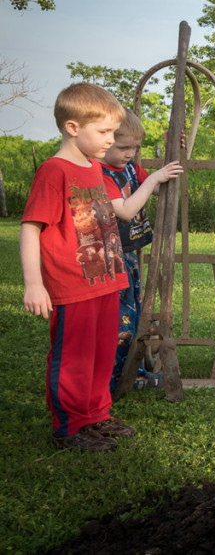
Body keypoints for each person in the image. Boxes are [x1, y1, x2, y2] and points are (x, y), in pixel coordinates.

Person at [20, 82, 135, 451]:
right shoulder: (55, 171)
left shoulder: (95, 168)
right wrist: (33, 284)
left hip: (107, 279)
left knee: (102, 353)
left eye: (113, 132)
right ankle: (70, 426)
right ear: (73, 128)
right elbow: (30, 227)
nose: (110, 140)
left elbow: (134, 168)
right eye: (103, 132)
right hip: (73, 286)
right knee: (74, 358)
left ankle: (97, 414)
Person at [100, 109, 183, 392]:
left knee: (132, 316)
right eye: (123, 147)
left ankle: (128, 373)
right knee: (119, 320)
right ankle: (112, 380)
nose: (130, 153)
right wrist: (153, 178)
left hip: (129, 257)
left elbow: (162, 188)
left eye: (135, 147)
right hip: (110, 259)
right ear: (104, 140)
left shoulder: (131, 169)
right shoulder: (101, 173)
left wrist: (174, 155)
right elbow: (125, 211)